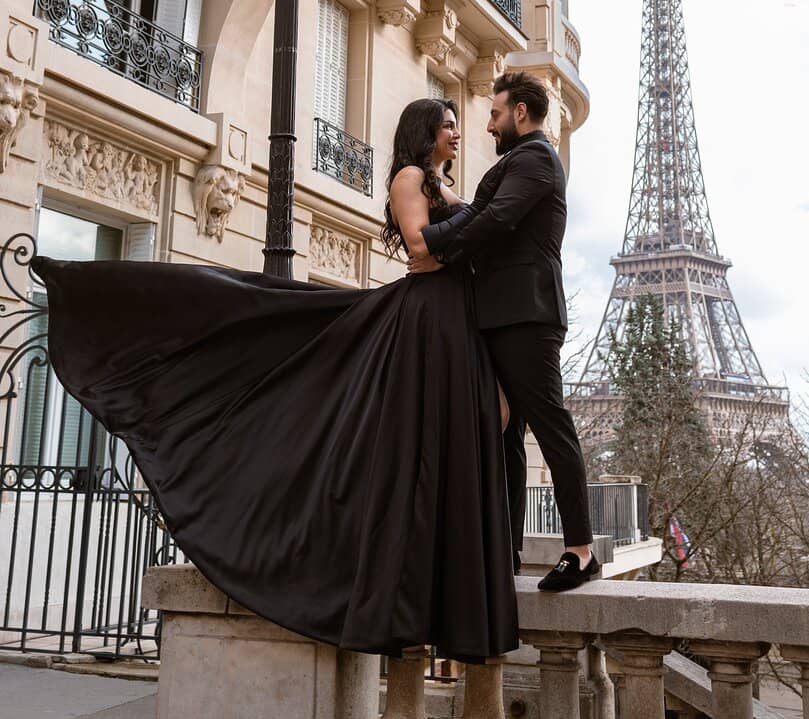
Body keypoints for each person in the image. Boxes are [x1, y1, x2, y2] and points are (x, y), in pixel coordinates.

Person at [32, 97, 518, 661]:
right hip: (428, 314)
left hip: (451, 317)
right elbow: (419, 248)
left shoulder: (443, 184)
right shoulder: (410, 177)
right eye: (449, 125)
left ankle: (445, 581)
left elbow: (463, 238)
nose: (459, 133)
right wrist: (468, 245)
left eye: (459, 124)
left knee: (461, 431)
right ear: (425, 131)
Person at [409, 70, 598, 592]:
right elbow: (486, 215)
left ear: (519, 113)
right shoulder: (521, 161)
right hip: (502, 313)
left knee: (550, 424)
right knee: (507, 437)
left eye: (494, 114)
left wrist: (432, 242)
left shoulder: (535, 158)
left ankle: (580, 551)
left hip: (526, 315)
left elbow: (496, 218)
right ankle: (507, 551)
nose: (488, 126)